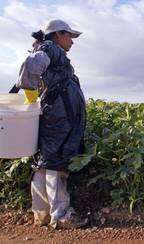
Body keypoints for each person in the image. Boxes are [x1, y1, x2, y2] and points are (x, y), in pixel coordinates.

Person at [17, 19, 88, 229]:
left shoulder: (52, 51)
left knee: (46, 162)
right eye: (69, 36)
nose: (72, 42)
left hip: (56, 118)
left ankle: (42, 214)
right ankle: (62, 216)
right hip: (58, 120)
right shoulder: (51, 49)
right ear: (58, 35)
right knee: (57, 162)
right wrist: (30, 96)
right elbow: (30, 66)